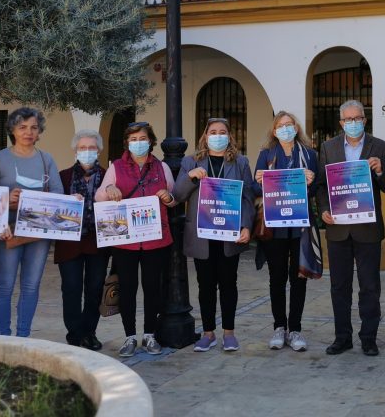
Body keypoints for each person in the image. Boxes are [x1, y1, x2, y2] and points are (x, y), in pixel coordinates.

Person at [316, 99, 385, 356]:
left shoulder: (380, 147)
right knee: (339, 285)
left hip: (367, 228)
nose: (353, 123)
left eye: (357, 118)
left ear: (364, 119)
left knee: (369, 285)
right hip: (338, 227)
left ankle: (369, 338)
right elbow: (321, 186)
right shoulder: (328, 148)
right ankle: (342, 337)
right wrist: (324, 209)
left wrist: (381, 171)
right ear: (341, 123)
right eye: (347, 119)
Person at [96, 122, 177, 357]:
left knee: (153, 288)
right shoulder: (116, 167)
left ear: (150, 141)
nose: (138, 143)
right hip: (125, 241)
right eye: (133, 139)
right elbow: (100, 195)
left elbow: (173, 197)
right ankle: (130, 336)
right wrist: (109, 189)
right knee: (128, 288)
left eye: (143, 138)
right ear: (127, 143)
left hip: (156, 239)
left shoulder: (162, 168)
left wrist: (168, 197)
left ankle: (150, 335)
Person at [175, 117, 254, 353]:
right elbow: (177, 194)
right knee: (205, 285)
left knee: (229, 284)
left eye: (222, 132)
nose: (217, 136)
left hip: (230, 233)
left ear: (229, 136)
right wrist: (191, 177)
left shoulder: (240, 162)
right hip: (203, 235)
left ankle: (229, 333)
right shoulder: (191, 161)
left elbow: (248, 198)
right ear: (205, 136)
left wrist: (246, 226)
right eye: (213, 132)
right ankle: (208, 333)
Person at [0, 107, 64, 337]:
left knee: (31, 286)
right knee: (5, 285)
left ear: (39, 131)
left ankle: (23, 336)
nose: (28, 132)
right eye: (22, 127)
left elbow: (58, 193)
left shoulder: (46, 158)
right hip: (6, 232)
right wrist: (6, 199)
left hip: (37, 232)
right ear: (12, 130)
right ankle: (3, 336)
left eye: (33, 127)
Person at [252, 111, 318, 352]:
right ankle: (279, 327)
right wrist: (258, 180)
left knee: (298, 277)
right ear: (274, 130)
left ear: (296, 128)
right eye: (281, 125)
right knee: (276, 277)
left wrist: (311, 180)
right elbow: (253, 187)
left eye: (289, 124)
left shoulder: (309, 155)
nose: (285, 129)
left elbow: (315, 189)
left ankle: (296, 328)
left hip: (299, 225)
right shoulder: (266, 155)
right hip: (274, 226)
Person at [56, 129, 109, 351]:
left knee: (95, 288)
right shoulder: (63, 176)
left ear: (98, 150)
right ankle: (75, 333)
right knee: (71, 287)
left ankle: (90, 332)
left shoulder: (109, 176)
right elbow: (54, 207)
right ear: (75, 150)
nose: (87, 151)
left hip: (98, 241)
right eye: (82, 148)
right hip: (70, 242)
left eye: (91, 147)